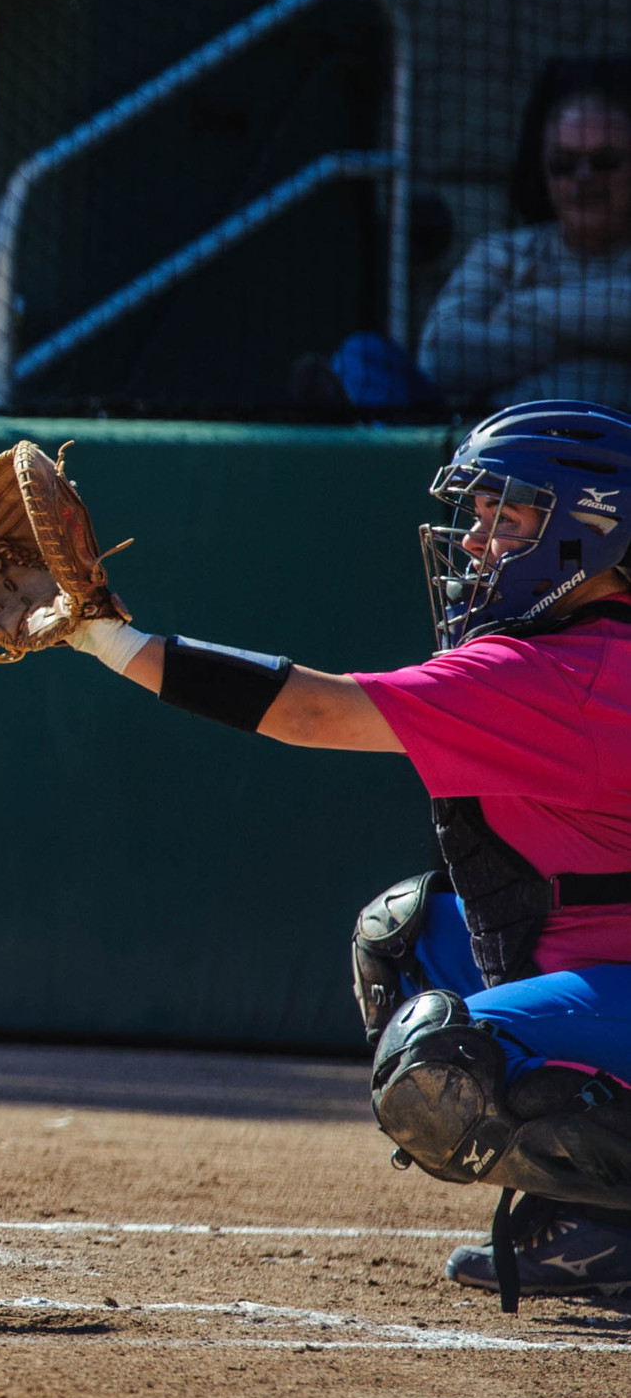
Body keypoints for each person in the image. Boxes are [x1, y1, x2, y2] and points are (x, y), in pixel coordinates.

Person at [48, 400, 631, 1305]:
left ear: (592, 533)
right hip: (603, 955)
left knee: (437, 1060)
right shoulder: (582, 646)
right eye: (477, 513)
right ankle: (595, 1227)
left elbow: (311, 711)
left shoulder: (559, 671)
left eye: (506, 516)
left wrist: (106, 637)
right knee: (404, 937)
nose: (476, 541)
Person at [417, 60, 631, 410]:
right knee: (366, 356)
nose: (583, 177)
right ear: (544, 170)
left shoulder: (520, 302)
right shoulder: (501, 255)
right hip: (500, 457)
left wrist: (524, 306)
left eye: (604, 161)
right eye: (564, 163)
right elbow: (441, 354)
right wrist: (601, 347)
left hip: (617, 457)